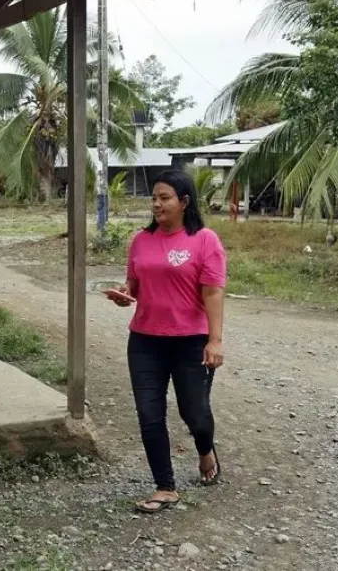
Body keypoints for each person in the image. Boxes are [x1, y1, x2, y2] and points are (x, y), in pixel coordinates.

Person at [104, 169, 227, 514]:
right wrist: (124, 295)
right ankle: (165, 486)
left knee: (195, 413)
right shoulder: (141, 240)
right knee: (149, 412)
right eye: (154, 198)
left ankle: (206, 450)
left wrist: (215, 341)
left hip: (191, 341)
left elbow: (214, 293)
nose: (156, 204)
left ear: (184, 202)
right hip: (145, 340)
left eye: (164, 198)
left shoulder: (205, 241)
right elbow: (135, 286)